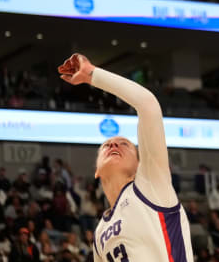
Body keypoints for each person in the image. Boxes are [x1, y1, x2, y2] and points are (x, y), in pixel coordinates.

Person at [57, 53, 193, 262]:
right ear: (96, 170)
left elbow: (148, 106)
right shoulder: (101, 231)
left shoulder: (151, 185)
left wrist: (92, 75)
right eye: (106, 145)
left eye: (124, 144)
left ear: (140, 165)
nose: (113, 144)